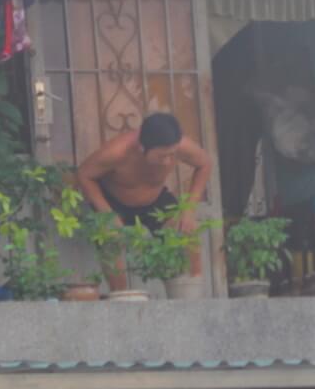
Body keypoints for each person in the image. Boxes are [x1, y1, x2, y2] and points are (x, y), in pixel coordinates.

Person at [76, 113, 213, 289]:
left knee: (187, 229)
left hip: (155, 199)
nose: (168, 161)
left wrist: (190, 209)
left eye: (172, 155)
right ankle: (121, 297)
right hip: (115, 202)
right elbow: (84, 174)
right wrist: (106, 212)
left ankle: (193, 290)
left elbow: (205, 164)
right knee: (110, 238)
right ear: (142, 147)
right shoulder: (117, 151)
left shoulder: (180, 146)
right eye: (162, 156)